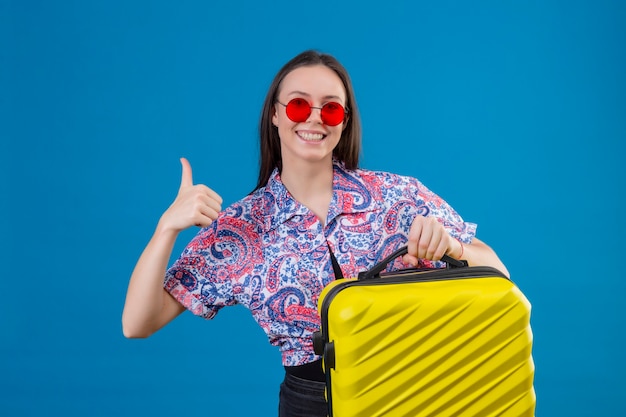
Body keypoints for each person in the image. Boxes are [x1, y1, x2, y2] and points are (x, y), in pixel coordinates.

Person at [122, 50, 509, 417]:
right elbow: (138, 323)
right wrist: (165, 229)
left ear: (345, 119)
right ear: (275, 115)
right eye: (298, 105)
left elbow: (499, 273)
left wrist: (452, 246)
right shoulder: (242, 228)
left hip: (413, 388)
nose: (314, 118)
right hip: (312, 403)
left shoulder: (399, 195)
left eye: (331, 107)